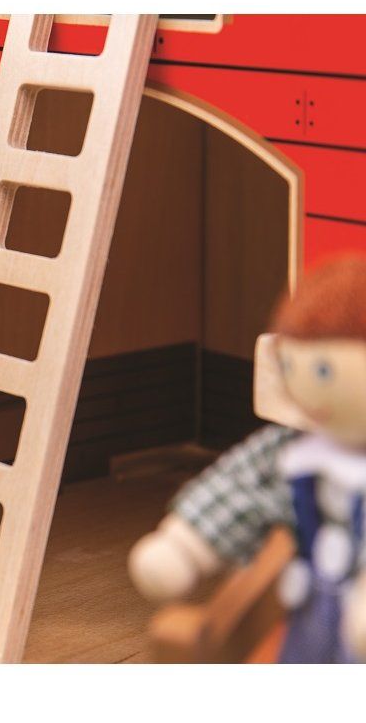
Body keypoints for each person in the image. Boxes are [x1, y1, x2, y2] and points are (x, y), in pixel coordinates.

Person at [129, 255, 366, 662]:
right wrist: (185, 544)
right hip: (310, 610)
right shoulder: (295, 451)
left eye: (324, 374)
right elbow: (240, 487)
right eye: (289, 366)